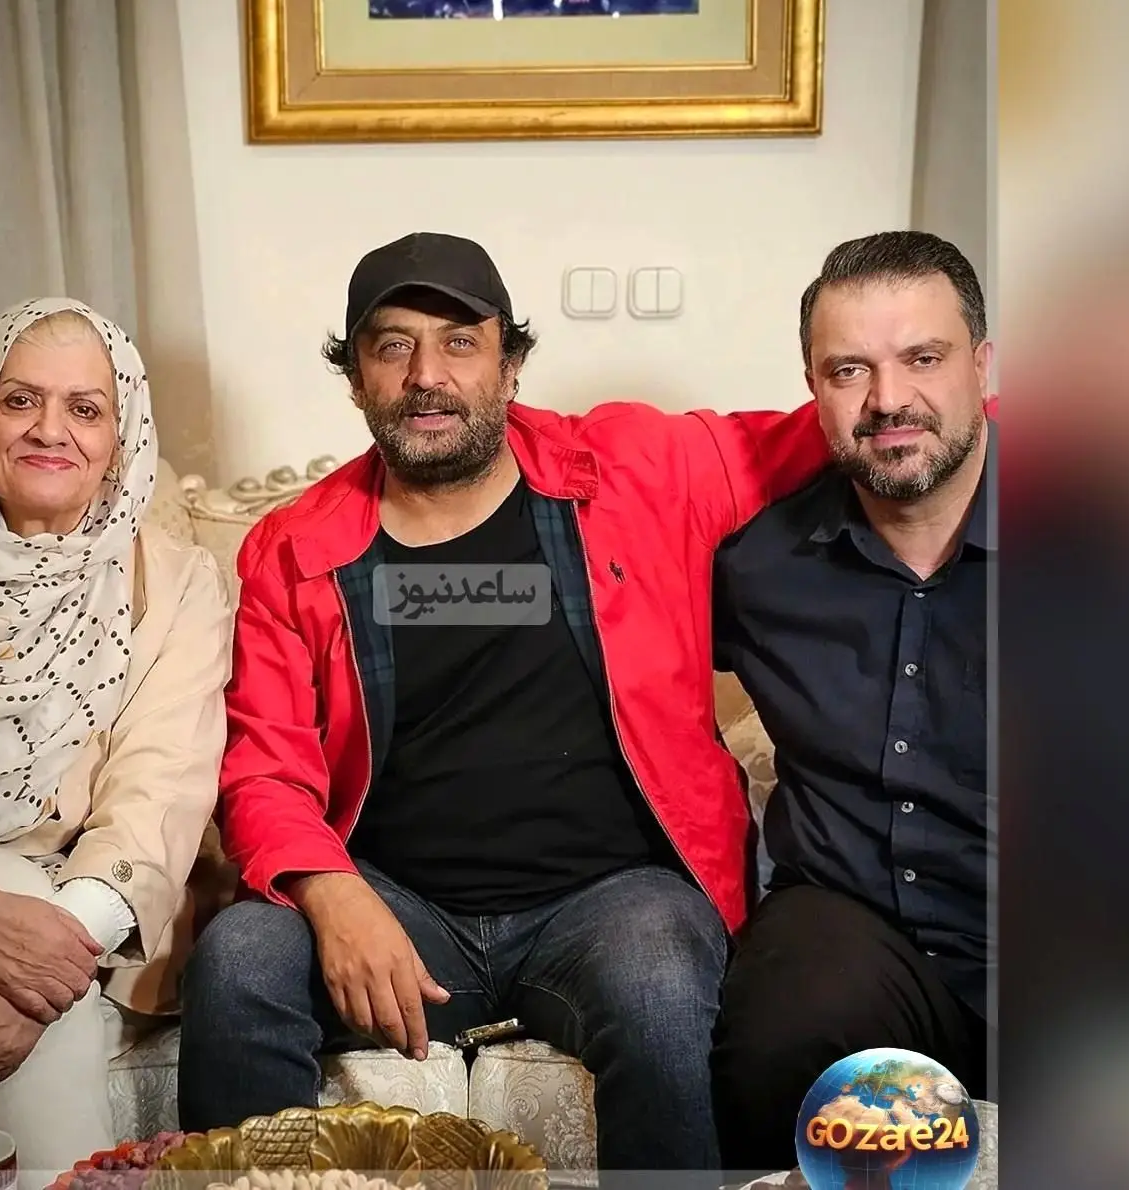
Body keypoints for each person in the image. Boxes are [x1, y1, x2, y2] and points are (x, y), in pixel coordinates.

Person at [176, 232, 834, 1175]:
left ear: (509, 365)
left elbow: (850, 423)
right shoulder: (294, 548)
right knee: (239, 958)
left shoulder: (637, 467)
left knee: (657, 977)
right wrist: (331, 892)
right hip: (401, 905)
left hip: (611, 900)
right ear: (355, 380)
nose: (426, 375)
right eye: (392, 346)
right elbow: (265, 768)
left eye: (459, 342)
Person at [0, 298, 231, 1184]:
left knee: (22, 910)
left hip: (72, 892)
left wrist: (43, 964)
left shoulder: (176, 583)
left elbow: (159, 788)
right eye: (19, 399)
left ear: (120, 436)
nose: (49, 430)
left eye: (85, 409)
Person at [709, 231, 995, 1172]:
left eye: (922, 358)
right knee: (778, 1035)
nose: (887, 400)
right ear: (812, 388)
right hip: (852, 921)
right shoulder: (759, 567)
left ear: (981, 365)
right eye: (848, 370)